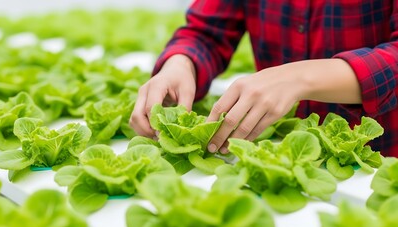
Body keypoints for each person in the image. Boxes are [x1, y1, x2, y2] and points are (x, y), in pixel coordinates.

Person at [130, 0, 398, 157]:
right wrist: (180, 65)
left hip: (381, 156)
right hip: (274, 152)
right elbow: (205, 32)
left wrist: (299, 78)